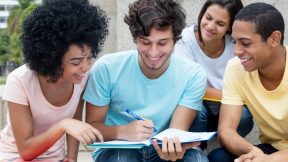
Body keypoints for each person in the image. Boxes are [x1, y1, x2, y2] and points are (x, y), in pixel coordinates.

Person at [83, 0, 209, 161]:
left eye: (162, 43)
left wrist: (173, 146)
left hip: (161, 148)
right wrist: (123, 132)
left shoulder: (193, 74)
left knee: (197, 159)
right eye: (145, 42)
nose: (153, 52)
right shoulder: (107, 68)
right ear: (135, 39)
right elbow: (91, 129)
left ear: (175, 40)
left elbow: (175, 132)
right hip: (117, 147)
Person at [0, 0, 109, 161]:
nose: (85, 67)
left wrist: (71, 158)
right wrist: (62, 125)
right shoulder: (19, 81)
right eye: (76, 62)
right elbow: (26, 151)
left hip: (54, 157)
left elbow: (76, 119)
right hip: (14, 156)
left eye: (89, 58)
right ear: (52, 59)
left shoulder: (81, 78)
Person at [208, 2, 288, 162]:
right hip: (272, 149)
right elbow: (225, 131)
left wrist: (269, 161)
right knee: (219, 158)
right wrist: (253, 153)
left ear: (274, 39)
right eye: (234, 42)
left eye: (245, 43)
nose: (236, 51)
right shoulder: (236, 68)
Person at [174, 0, 253, 149]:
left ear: (230, 26)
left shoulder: (235, 44)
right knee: (196, 111)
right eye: (208, 18)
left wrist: (233, 98)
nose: (210, 26)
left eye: (220, 24)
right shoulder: (186, 39)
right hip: (199, 103)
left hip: (228, 106)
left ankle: (223, 145)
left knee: (244, 116)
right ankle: (197, 149)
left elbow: (245, 89)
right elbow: (186, 86)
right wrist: (231, 95)